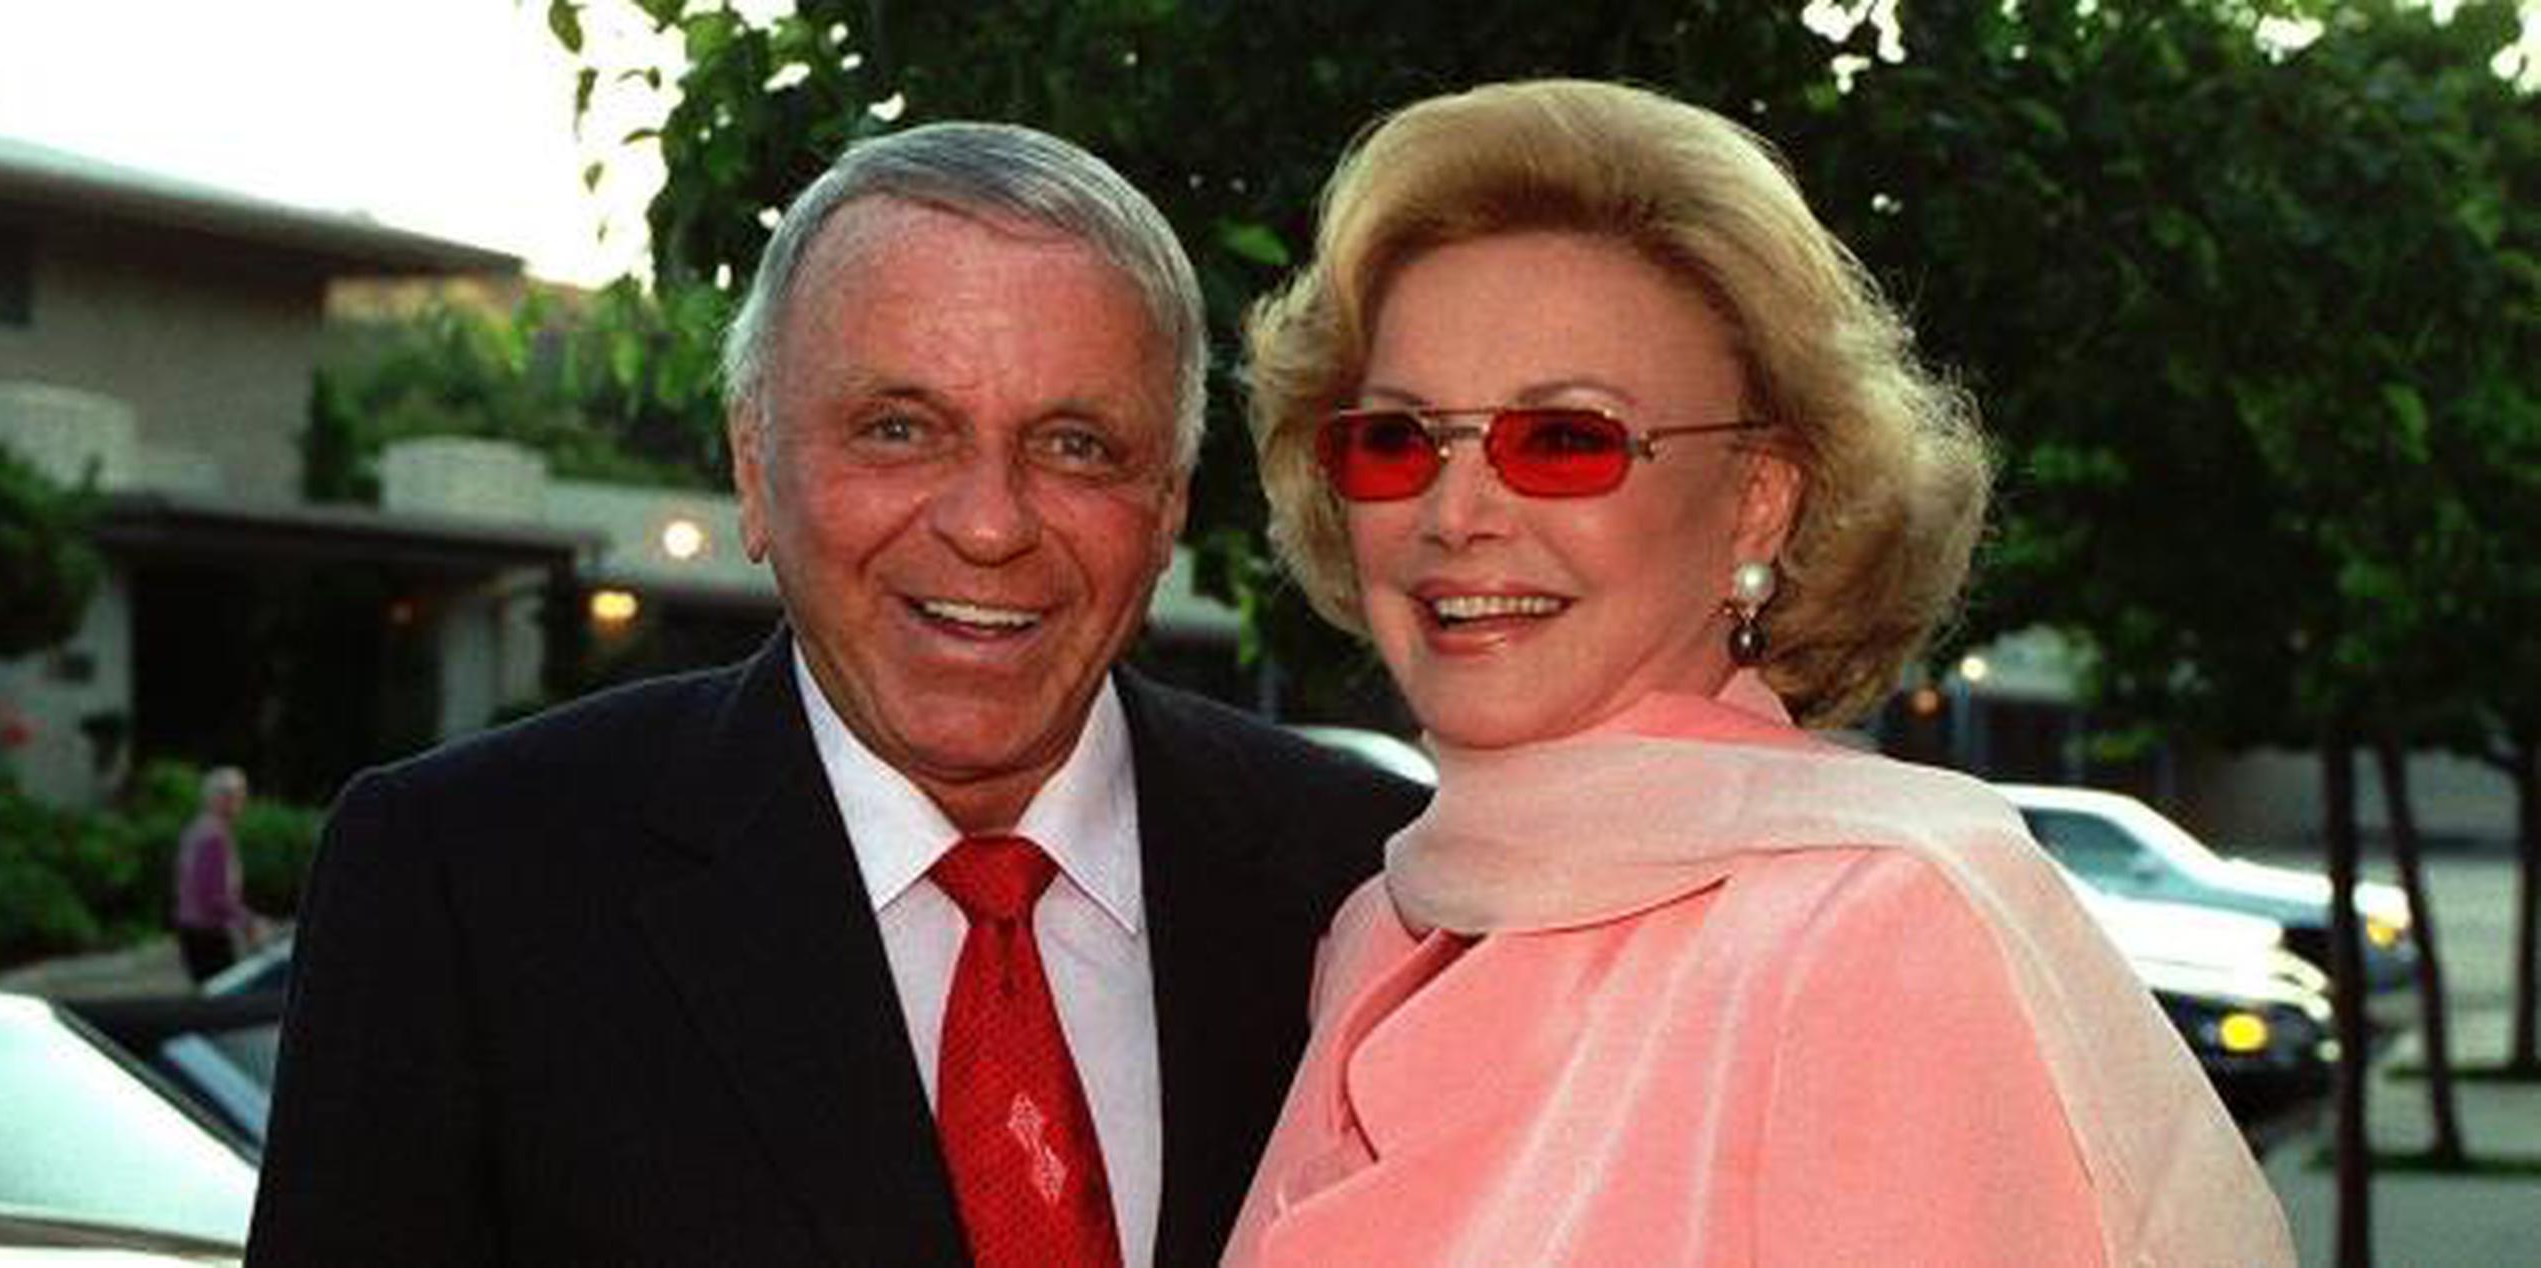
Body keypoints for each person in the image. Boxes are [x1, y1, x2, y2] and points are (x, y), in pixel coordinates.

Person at [247, 122, 1428, 1268]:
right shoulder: (468, 880)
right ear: (755, 469)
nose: (987, 522)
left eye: (1076, 445)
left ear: (1167, 502)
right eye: (899, 428)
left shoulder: (1366, 888)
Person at [1222, 80, 2293, 1266]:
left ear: (1756, 500)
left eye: (1565, 438)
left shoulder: (1876, 933)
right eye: (1395, 439)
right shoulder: (1384, 930)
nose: (1454, 509)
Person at [171, 764, 254, 983]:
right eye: (237, 796)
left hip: (191, 929)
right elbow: (215, 896)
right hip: (208, 932)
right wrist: (248, 921)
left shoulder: (196, 829)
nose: (241, 803)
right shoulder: (214, 837)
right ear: (221, 799)